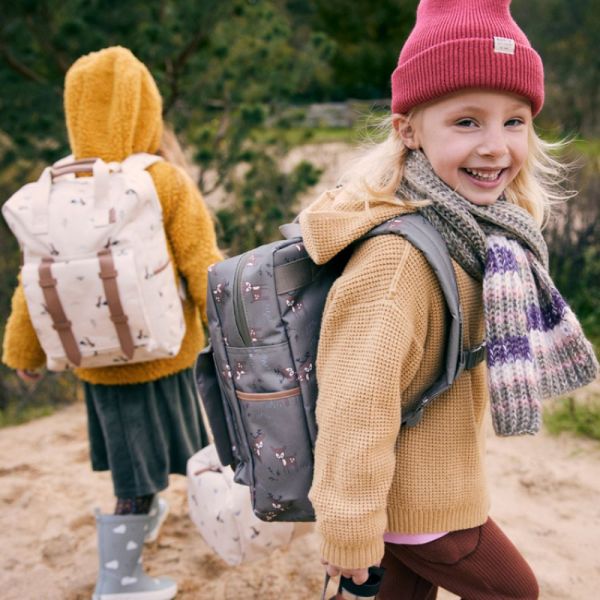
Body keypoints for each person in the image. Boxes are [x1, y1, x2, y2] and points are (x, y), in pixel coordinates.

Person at [299, 1, 599, 598]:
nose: (496, 147)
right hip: (421, 503)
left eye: (515, 121)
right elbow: (355, 400)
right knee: (517, 591)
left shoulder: (479, 233)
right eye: (467, 122)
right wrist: (350, 529)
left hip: (428, 493)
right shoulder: (399, 261)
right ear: (407, 129)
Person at [2, 46, 222, 600]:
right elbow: (202, 261)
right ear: (145, 110)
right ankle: (119, 581)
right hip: (167, 351)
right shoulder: (162, 179)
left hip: (100, 366)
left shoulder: (57, 185)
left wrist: (25, 355)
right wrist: (231, 327)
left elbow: (33, 281)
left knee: (136, 465)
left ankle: (139, 523)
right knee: (138, 479)